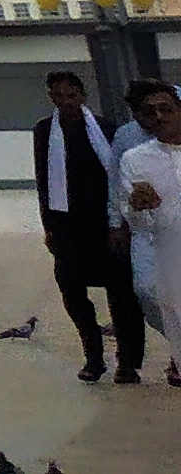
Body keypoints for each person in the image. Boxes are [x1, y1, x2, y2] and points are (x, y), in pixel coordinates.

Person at [34, 69, 148, 382]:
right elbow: (43, 180)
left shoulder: (107, 130)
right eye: (58, 96)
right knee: (71, 288)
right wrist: (48, 226)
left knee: (121, 294)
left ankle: (126, 362)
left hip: (107, 222)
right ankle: (93, 355)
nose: (65, 102)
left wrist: (122, 223)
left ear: (82, 96)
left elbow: (121, 178)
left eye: (71, 95)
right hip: (67, 224)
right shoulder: (44, 131)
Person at [112, 78, 181, 386]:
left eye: (166, 109)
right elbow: (141, 226)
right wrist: (137, 210)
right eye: (150, 111)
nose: (159, 117)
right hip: (171, 259)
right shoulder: (136, 159)